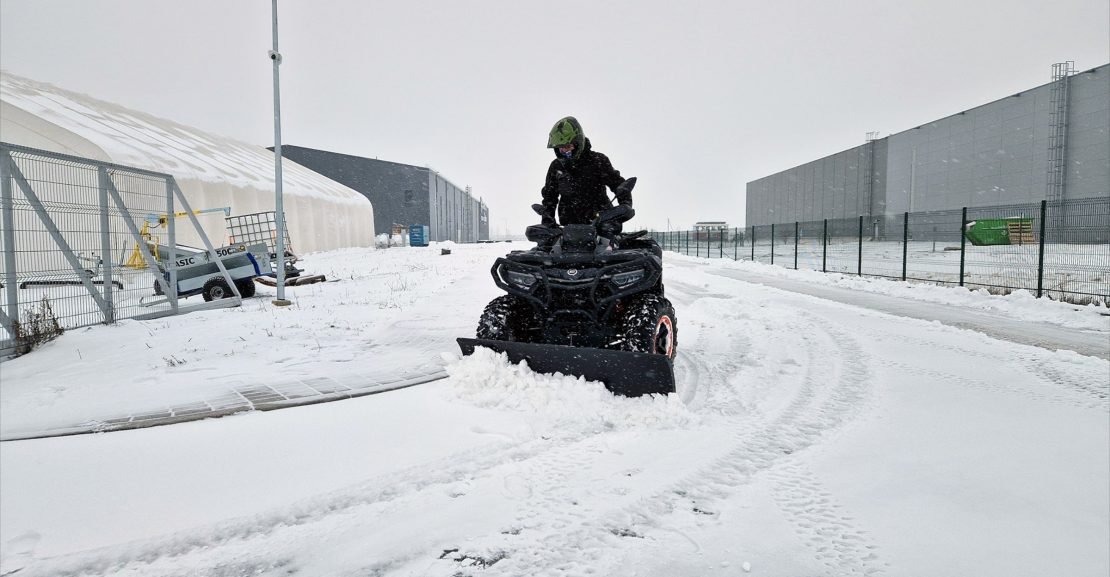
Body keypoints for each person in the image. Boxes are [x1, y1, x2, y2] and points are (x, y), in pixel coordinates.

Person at [540, 116, 631, 227]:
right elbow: (550, 196)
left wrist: (625, 206)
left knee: (613, 243)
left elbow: (617, 184)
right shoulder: (556, 166)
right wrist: (547, 221)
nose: (564, 151)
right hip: (569, 229)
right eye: (561, 148)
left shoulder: (598, 161)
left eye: (568, 147)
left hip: (601, 225)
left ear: (578, 143)